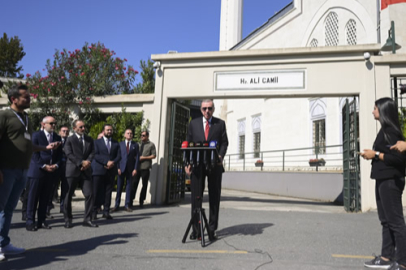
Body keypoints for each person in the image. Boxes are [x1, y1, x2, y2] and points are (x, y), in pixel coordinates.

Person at [0, 84, 59, 259]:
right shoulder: (4, 116)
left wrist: (45, 147)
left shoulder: (26, 118)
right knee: (1, 208)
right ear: (14, 99)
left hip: (22, 170)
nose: (29, 99)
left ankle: (4, 243)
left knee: (10, 208)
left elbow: (27, 145)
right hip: (7, 169)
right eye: (25, 97)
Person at [361, 98, 406, 270]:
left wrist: (376, 154)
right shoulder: (385, 131)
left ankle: (402, 262)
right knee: (385, 220)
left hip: (390, 181)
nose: (373, 111)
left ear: (384, 110)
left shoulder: (392, 132)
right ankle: (387, 257)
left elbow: (398, 159)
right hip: (382, 179)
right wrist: (371, 154)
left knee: (395, 222)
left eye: (375, 108)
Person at [185, 99, 228, 241]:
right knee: (196, 198)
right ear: (201, 110)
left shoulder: (220, 124)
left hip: (214, 166)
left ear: (213, 109)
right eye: (204, 109)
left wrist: (220, 155)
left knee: (214, 198)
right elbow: (188, 142)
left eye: (209, 108)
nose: (207, 111)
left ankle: (211, 229)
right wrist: (188, 162)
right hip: (197, 166)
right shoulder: (194, 124)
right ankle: (196, 231)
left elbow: (224, 142)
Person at [25, 116, 62, 231]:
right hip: (37, 171)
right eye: (51, 123)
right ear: (43, 124)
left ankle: (41, 221)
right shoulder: (35, 136)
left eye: (55, 123)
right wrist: (44, 166)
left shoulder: (57, 137)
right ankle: (30, 222)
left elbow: (59, 155)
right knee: (33, 198)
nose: (54, 126)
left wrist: (55, 165)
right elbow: (34, 154)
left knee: (45, 198)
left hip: (50, 172)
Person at [63, 120, 96, 228]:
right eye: (81, 127)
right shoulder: (69, 140)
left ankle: (87, 219)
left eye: (84, 126)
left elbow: (92, 152)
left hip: (86, 171)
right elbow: (69, 153)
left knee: (89, 194)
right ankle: (68, 219)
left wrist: (88, 162)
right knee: (68, 196)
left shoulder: (89, 139)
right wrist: (81, 162)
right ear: (75, 128)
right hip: (72, 170)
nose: (83, 128)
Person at [91, 124, 121, 220]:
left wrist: (113, 162)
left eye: (111, 130)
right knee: (96, 192)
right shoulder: (96, 142)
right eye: (108, 130)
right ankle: (94, 211)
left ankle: (106, 211)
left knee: (108, 192)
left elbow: (119, 156)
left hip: (111, 171)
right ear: (103, 131)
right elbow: (95, 155)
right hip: (99, 170)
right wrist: (105, 162)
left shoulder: (116, 143)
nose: (109, 132)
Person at [111, 129, 139, 212]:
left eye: (131, 133)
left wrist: (135, 168)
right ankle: (116, 205)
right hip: (121, 169)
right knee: (119, 187)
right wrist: (118, 168)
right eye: (128, 133)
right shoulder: (120, 144)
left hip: (130, 169)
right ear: (124, 135)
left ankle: (127, 205)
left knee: (129, 187)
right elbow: (117, 157)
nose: (129, 135)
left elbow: (137, 158)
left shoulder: (135, 145)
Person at [131, 130, 156, 208]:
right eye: (141, 135)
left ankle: (141, 201)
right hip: (137, 167)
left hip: (145, 167)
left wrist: (144, 157)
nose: (142, 137)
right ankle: (131, 200)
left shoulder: (151, 145)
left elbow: (154, 155)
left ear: (147, 136)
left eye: (144, 135)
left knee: (144, 185)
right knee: (134, 183)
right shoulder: (138, 144)